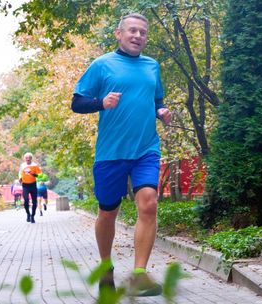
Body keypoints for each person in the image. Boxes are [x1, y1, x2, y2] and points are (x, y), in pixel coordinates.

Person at [71, 13, 172, 296]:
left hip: (145, 149)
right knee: (107, 212)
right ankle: (106, 267)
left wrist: (161, 111)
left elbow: (156, 100)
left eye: (142, 32)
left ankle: (139, 275)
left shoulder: (153, 66)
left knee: (149, 204)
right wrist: (100, 103)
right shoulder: (102, 65)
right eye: (132, 31)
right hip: (111, 153)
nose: (138, 36)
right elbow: (77, 103)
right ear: (119, 33)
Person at [18, 152, 42, 223]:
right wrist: (20, 178)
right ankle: (28, 214)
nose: (28, 159)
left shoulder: (35, 165)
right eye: (26, 158)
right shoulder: (22, 165)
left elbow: (40, 175)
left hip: (33, 185)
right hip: (25, 185)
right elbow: (20, 173)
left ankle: (33, 216)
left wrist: (34, 175)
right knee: (26, 200)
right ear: (25, 159)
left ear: (31, 158)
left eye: (29, 158)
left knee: (34, 202)